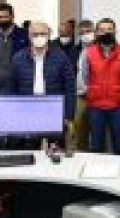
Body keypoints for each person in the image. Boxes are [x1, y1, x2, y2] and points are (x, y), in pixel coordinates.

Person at [10, 21, 75, 149]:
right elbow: (12, 88)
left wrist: (68, 115)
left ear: (49, 35)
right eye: (35, 34)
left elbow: (70, 88)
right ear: (29, 36)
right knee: (30, 150)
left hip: (54, 110)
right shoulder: (18, 58)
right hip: (28, 110)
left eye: (42, 34)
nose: (39, 37)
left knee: (56, 150)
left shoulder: (61, 57)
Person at [84, 18, 120, 155]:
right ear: (97, 32)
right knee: (96, 145)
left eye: (109, 29)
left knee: (119, 144)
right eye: (102, 30)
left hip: (117, 105)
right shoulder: (88, 52)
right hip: (95, 106)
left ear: (115, 31)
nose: (106, 32)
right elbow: (84, 77)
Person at [72, 19, 95, 151]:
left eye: (88, 31)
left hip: (97, 97)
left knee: (97, 132)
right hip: (80, 96)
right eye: (82, 33)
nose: (86, 35)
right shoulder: (75, 50)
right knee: (79, 130)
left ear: (94, 32)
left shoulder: (101, 49)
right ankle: (81, 156)